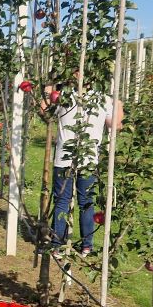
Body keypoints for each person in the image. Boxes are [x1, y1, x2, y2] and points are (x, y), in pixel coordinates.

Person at [46, 84, 123, 257]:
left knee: (62, 201)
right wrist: (118, 104)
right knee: (86, 202)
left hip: (64, 158)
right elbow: (116, 125)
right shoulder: (103, 99)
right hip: (88, 159)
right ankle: (87, 246)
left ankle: (57, 245)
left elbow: (45, 112)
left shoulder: (64, 95)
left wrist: (48, 91)